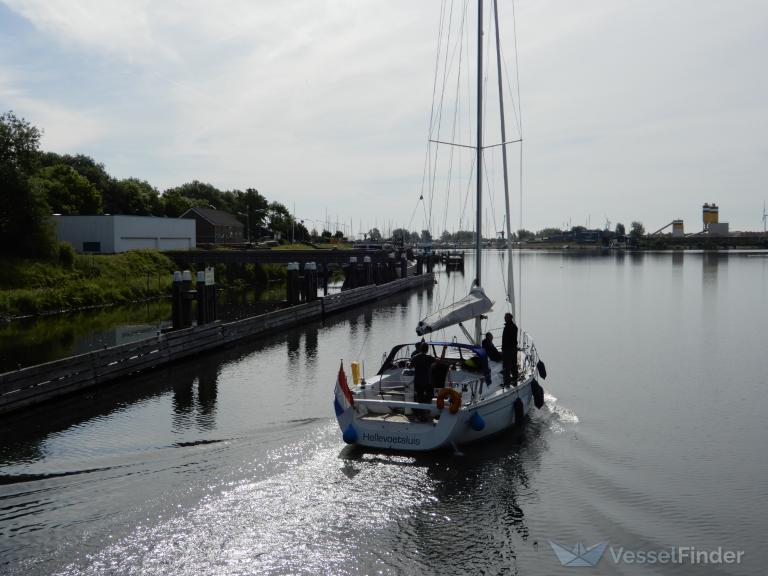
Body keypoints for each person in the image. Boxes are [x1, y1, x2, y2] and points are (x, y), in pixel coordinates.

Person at [410, 342, 435, 417]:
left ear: (420, 349)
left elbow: (410, 366)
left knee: (419, 398)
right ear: (427, 349)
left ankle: (420, 414)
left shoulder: (415, 357)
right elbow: (437, 363)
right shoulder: (430, 358)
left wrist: (408, 364)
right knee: (429, 397)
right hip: (428, 381)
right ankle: (427, 412)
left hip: (418, 381)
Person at [502, 312, 518, 386]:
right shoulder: (514, 327)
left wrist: (504, 349)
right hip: (513, 349)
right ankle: (515, 380)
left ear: (509, 318)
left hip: (508, 350)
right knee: (513, 365)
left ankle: (507, 383)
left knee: (507, 367)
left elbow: (507, 340)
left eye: (505, 317)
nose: (504, 318)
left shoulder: (508, 327)